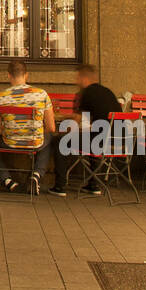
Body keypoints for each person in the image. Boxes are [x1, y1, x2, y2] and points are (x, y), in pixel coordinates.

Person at [48, 64, 121, 196]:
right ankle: (94, 185)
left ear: (84, 78)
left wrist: (64, 132)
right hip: (117, 142)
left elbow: (79, 119)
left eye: (77, 78)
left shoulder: (87, 92)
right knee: (91, 138)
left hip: (98, 140)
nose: (76, 81)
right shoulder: (108, 92)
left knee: (60, 141)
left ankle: (60, 186)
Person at [0, 60, 54, 194]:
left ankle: (6, 180)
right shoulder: (42, 94)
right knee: (49, 138)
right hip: (35, 142)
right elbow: (51, 127)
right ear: (26, 75)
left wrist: (7, 129)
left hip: (9, 143)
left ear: (8, 75)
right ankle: (36, 175)